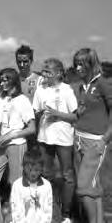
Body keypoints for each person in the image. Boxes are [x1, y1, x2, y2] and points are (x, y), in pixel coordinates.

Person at [0, 68, 35, 223]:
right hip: (1, 146)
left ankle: (15, 217)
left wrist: (12, 134)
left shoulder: (23, 100)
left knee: (16, 183)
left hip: (17, 145)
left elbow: (32, 128)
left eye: (6, 79)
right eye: (1, 79)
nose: (3, 82)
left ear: (14, 80)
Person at [33, 58, 77, 223]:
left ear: (58, 74)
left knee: (67, 176)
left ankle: (66, 214)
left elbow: (75, 116)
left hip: (64, 139)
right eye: (43, 71)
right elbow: (35, 112)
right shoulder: (40, 90)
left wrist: (57, 114)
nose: (44, 74)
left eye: (48, 72)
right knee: (45, 174)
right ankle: (49, 210)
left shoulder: (67, 90)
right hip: (44, 138)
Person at [72, 48, 112, 223]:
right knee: (93, 186)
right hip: (79, 139)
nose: (78, 68)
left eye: (82, 64)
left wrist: (105, 140)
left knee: (83, 187)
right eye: (76, 64)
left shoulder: (102, 83)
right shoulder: (82, 86)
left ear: (91, 64)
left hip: (96, 142)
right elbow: (83, 112)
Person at [10, 149, 53, 223]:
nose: (33, 173)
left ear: (41, 169)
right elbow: (16, 210)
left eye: (36, 170)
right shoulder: (17, 185)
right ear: (23, 167)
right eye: (30, 170)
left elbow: (48, 209)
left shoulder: (46, 185)